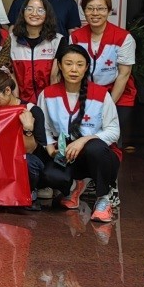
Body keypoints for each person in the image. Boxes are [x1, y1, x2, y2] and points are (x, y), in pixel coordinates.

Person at [38, 43, 122, 223]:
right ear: (59, 65)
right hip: (68, 155)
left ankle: (103, 199)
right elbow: (43, 127)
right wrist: (51, 150)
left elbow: (114, 131)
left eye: (79, 64)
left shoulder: (101, 94)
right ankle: (76, 186)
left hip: (101, 156)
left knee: (94, 148)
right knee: (50, 176)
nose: (74, 69)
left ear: (86, 67)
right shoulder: (48, 94)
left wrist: (83, 140)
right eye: (68, 63)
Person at [0, 68, 60, 205]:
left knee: (27, 162)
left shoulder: (32, 111)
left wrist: (27, 129)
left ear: (7, 90)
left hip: (25, 159)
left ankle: (30, 190)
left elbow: (30, 150)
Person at [70, 0, 137, 142]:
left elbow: (124, 74)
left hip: (118, 94)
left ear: (109, 11)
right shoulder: (76, 37)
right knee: (83, 136)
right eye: (90, 8)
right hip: (86, 93)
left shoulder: (123, 37)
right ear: (84, 11)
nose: (95, 13)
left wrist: (107, 105)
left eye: (100, 8)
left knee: (112, 138)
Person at [9, 0, 63, 103]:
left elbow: (55, 78)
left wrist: (51, 103)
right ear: (23, 12)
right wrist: (17, 103)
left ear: (47, 14)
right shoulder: (10, 40)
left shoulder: (57, 41)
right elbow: (10, 74)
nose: (34, 13)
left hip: (48, 101)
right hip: (20, 102)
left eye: (40, 10)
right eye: (29, 9)